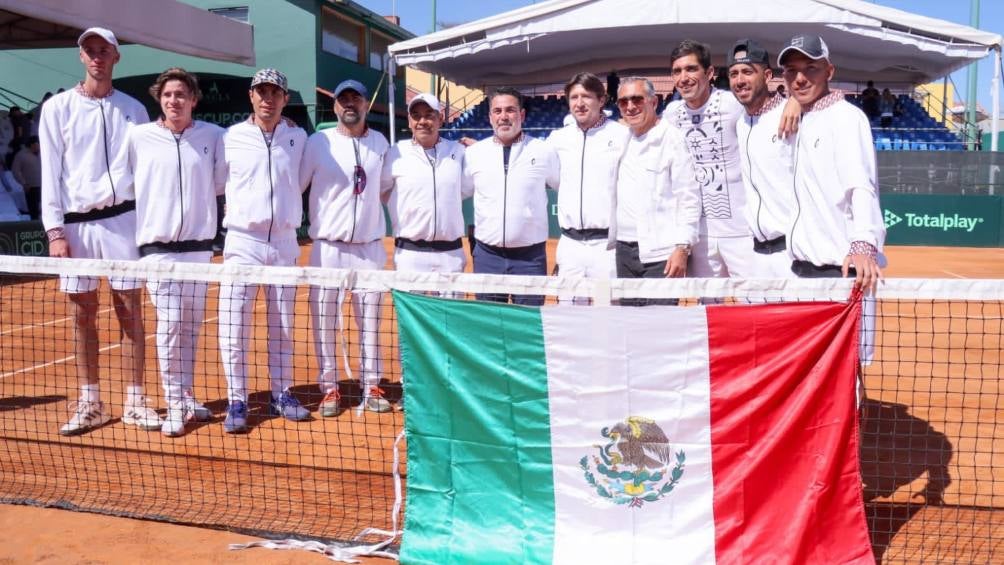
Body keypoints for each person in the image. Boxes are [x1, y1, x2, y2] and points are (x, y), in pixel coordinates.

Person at [39, 27, 156, 435]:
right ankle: (91, 403)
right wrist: (55, 232)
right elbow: (50, 174)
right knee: (82, 315)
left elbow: (145, 172)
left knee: (130, 311)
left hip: (125, 222)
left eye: (103, 51)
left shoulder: (134, 110)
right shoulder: (57, 109)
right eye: (89, 51)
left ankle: (136, 402)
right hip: (76, 227)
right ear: (81, 57)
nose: (96, 57)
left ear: (116, 57)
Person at [126, 67, 223, 437]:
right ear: (159, 99)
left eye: (181, 94)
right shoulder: (139, 137)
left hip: (198, 251)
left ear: (193, 99)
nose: (173, 100)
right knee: (169, 326)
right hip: (158, 251)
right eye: (167, 95)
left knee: (191, 327)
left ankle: (185, 394)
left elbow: (221, 182)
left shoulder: (214, 136)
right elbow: (125, 184)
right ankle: (174, 404)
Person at [216, 68, 309, 433]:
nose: (267, 98)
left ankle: (281, 393)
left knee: (283, 325)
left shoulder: (298, 138)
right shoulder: (230, 138)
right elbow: (217, 182)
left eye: (275, 93)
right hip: (243, 242)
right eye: (261, 91)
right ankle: (237, 399)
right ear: (251, 96)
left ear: (285, 99)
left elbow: (301, 180)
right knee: (233, 324)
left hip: (285, 242)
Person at [663, 39, 797, 280]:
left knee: (752, 300)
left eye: (691, 69)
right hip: (700, 237)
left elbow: (766, 104)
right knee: (708, 302)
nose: (684, 78)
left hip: (744, 234)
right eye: (677, 71)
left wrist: (795, 100)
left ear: (709, 73)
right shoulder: (671, 114)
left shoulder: (734, 103)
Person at [300, 79, 392, 414]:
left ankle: (372, 385)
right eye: (343, 99)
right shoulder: (317, 142)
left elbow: (386, 190)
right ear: (335, 105)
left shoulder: (380, 143)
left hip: (369, 247)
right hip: (328, 247)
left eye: (356, 98)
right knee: (324, 320)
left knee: (370, 321)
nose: (349, 104)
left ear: (366, 104)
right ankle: (329, 388)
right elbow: (296, 185)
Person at [777, 34, 884, 291]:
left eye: (811, 68)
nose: (800, 78)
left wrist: (863, 244)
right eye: (792, 71)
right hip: (801, 272)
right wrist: (793, 100)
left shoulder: (847, 117)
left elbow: (861, 186)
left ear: (829, 71)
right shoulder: (799, 119)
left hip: (842, 272)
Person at [462, 87, 560, 305]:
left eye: (510, 110)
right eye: (497, 111)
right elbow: (456, 192)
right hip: (487, 257)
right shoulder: (473, 154)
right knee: (488, 321)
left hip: (530, 259)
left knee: (527, 322)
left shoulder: (544, 151)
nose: (503, 116)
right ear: (490, 117)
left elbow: (564, 188)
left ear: (521, 115)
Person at [610, 77, 700, 306]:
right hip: (624, 249)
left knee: (661, 323)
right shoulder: (621, 140)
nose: (630, 106)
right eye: (623, 101)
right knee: (630, 320)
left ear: (654, 102)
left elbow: (688, 198)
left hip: (662, 254)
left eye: (637, 99)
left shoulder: (673, 139)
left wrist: (682, 248)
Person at [545, 72, 630, 303]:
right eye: (574, 97)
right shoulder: (557, 138)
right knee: (568, 313)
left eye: (586, 97)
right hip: (570, 246)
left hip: (606, 247)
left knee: (606, 312)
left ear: (601, 100)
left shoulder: (622, 135)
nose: (579, 103)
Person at [380, 93, 469, 295]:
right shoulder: (395, 152)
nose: (422, 121)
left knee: (449, 315)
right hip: (409, 254)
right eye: (416, 116)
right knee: (411, 315)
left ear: (440, 118)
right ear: (409, 121)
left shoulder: (458, 151)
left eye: (429, 115)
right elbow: (383, 190)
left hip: (450, 254)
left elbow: (465, 189)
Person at [726, 39, 797, 279]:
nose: (739, 80)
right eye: (734, 74)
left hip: (792, 254)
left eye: (747, 72)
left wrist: (797, 100)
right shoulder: (740, 122)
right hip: (757, 256)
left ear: (767, 76)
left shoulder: (793, 115)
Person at [11, 135, 41, 218]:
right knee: (33, 209)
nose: (39, 146)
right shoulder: (21, 155)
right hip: (30, 186)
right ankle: (34, 224)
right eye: (37, 144)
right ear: (32, 144)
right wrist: (23, 183)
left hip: (44, 185)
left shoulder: (43, 153)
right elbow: (15, 171)